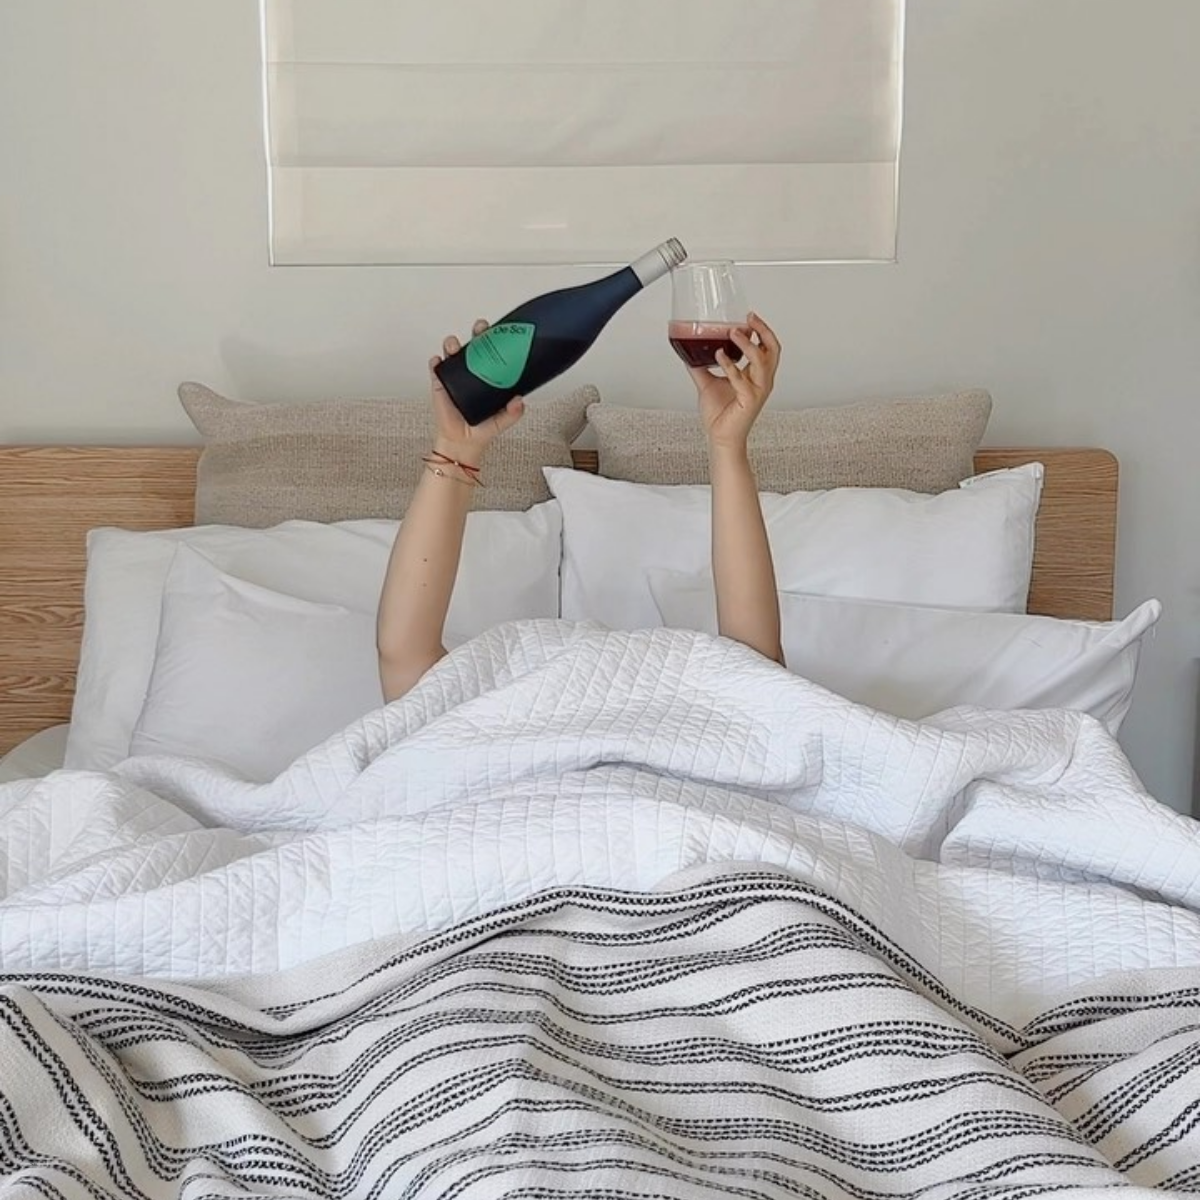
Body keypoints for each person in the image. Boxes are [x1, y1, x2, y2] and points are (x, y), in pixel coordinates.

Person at [377, 314, 784, 703]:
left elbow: (754, 672)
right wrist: (455, 447)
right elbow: (403, 657)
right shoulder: (479, 724)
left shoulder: (709, 720)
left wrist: (729, 446)